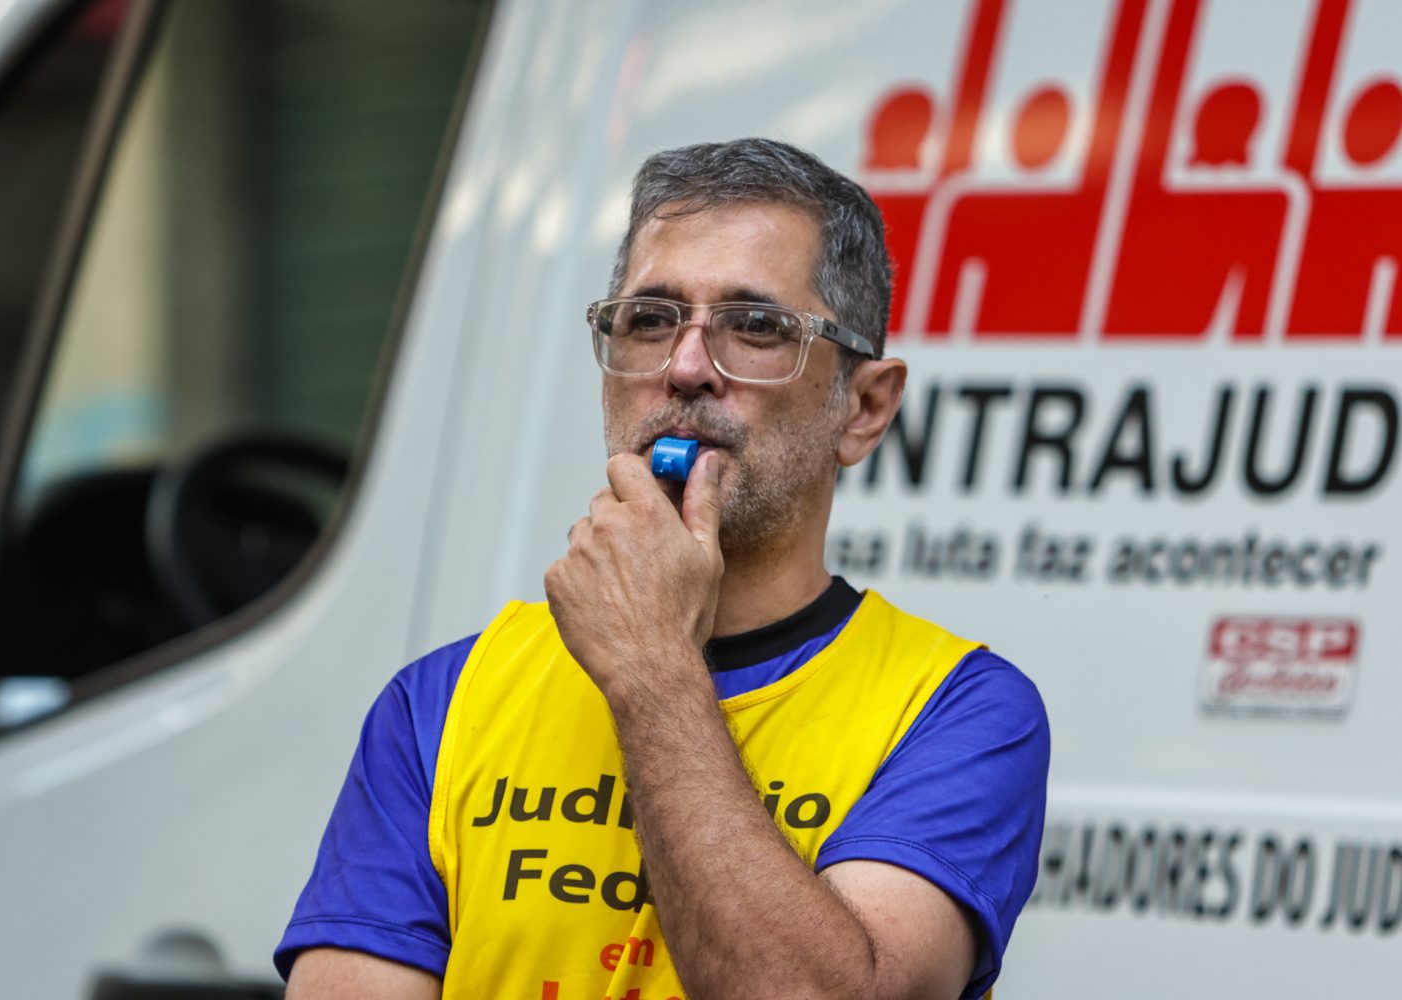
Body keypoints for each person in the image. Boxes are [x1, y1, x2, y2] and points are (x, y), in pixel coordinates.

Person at [275, 138, 1049, 1000]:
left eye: (755, 327)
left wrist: (653, 668)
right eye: (649, 319)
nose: (685, 369)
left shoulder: (959, 711)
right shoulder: (441, 704)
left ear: (864, 408)